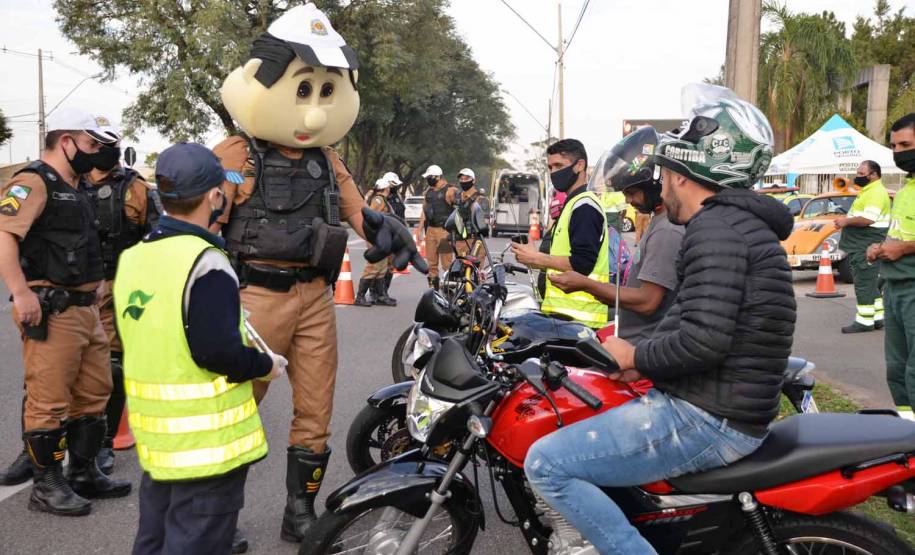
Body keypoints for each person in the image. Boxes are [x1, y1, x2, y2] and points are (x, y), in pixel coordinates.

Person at [525, 84, 796, 554]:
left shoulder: (716, 229)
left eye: (665, 172)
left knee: (547, 462)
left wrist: (636, 352)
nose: (660, 184)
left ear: (687, 174)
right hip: (721, 403)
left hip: (712, 417)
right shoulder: (734, 227)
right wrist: (640, 363)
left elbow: (702, 340)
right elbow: (696, 319)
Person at [215, 3, 425, 544]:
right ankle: (215, 515)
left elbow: (361, 212)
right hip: (255, 297)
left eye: (325, 93)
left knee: (316, 409)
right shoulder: (239, 154)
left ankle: (298, 511)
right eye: (301, 90)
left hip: (315, 298)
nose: (312, 113)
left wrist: (387, 230)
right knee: (238, 407)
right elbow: (203, 225)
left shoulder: (328, 160)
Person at [114, 142, 284, 555]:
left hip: (160, 442)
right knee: (197, 542)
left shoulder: (134, 258)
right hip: (206, 448)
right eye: (224, 190)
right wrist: (265, 365)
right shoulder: (206, 261)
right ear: (213, 196)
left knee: (155, 539)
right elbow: (217, 353)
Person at [0, 107, 131, 516]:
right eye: (91, 144)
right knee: (49, 399)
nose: (95, 154)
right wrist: (20, 293)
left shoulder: (79, 186)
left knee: (94, 393)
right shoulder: (32, 181)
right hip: (51, 308)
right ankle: (47, 486)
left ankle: (83, 472)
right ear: (66, 141)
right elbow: (4, 236)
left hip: (86, 308)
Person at [549, 127, 684, 346]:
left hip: (641, 351)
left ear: (653, 183)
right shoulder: (658, 221)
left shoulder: (667, 229)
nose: (628, 201)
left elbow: (648, 301)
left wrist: (586, 285)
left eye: (631, 192)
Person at [512, 138, 610, 329]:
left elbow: (582, 263)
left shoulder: (585, 206)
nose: (553, 172)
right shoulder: (572, 203)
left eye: (559, 165)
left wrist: (538, 258)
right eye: (550, 167)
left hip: (579, 321)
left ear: (579, 165)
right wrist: (533, 259)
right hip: (565, 317)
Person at [869, 113, 915, 421]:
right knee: (897, 371)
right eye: (894, 146)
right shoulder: (906, 189)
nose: (898, 152)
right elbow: (899, 233)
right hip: (895, 289)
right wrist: (882, 247)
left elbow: (906, 243)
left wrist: (904, 248)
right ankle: (907, 432)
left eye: (906, 144)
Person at [835, 160, 891, 333]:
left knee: (864, 283)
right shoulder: (868, 191)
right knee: (871, 283)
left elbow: (869, 219)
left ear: (873, 175)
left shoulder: (875, 192)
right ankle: (877, 318)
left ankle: (864, 322)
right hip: (862, 245)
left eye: (861, 174)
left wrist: (846, 221)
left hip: (865, 246)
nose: (857, 176)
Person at [355, 177, 398, 307]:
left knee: (382, 268)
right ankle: (360, 297)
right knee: (373, 268)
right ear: (385, 188)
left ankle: (380, 296)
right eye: (388, 188)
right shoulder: (378, 200)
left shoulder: (382, 199)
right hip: (378, 239)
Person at [420, 164, 457, 289]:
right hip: (430, 230)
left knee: (447, 264)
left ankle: (450, 291)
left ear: (437, 176)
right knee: (431, 263)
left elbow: (459, 210)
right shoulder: (428, 192)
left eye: (430, 177)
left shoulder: (450, 190)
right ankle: (433, 291)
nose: (428, 180)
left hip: (444, 232)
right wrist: (420, 229)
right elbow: (424, 212)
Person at [454, 167, 485, 257]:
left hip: (475, 240)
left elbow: (483, 222)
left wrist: (478, 239)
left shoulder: (480, 198)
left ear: (473, 180)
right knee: (460, 269)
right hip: (460, 240)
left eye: (467, 178)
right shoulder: (457, 197)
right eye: (461, 179)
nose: (463, 181)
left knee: (475, 269)